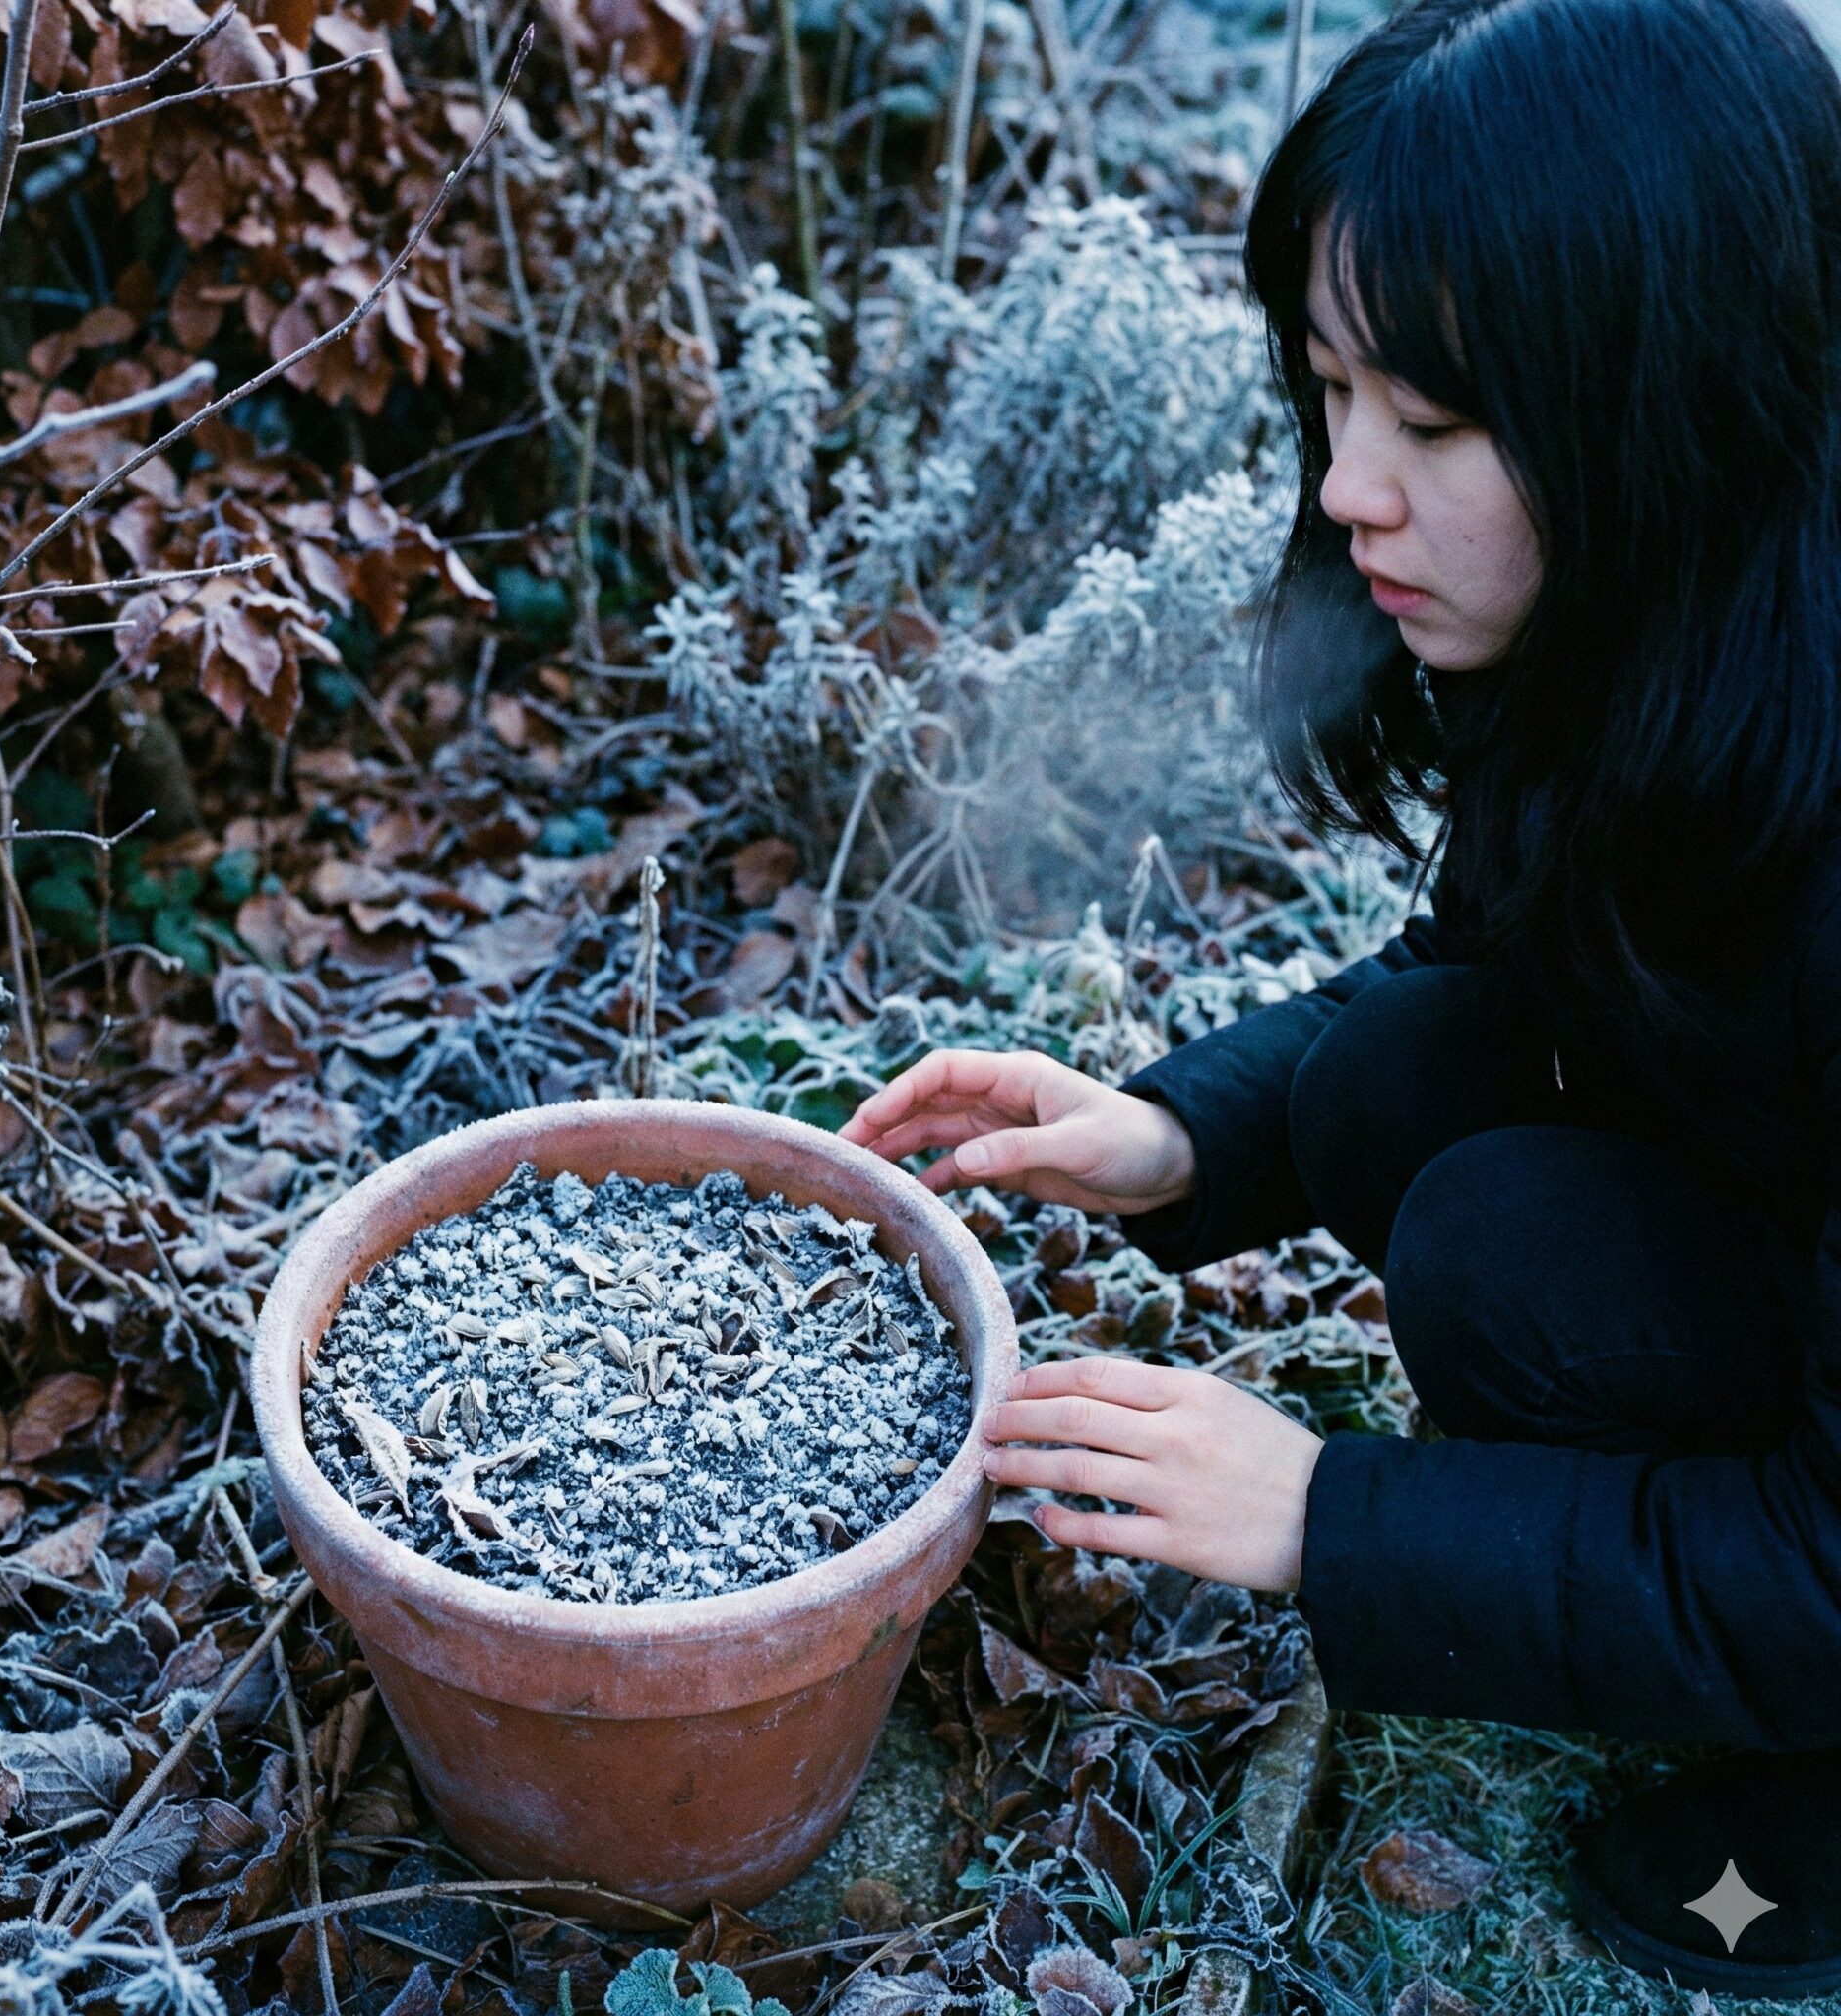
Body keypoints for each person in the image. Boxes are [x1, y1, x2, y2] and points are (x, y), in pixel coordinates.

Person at [837, 0, 1841, 1996]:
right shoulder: (1683, 615)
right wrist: (1183, 1134)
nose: (1348, 490)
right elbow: (1479, 965)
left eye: (1436, 421)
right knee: (1398, 1087)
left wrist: (1334, 1516)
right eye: (1328, 396)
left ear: (1679, 389)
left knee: (1495, 1252)